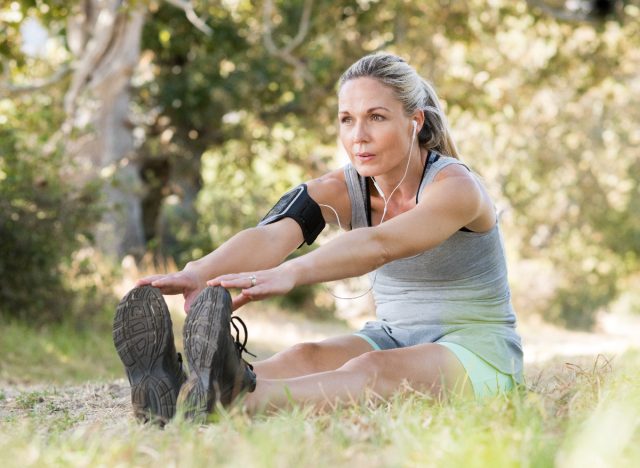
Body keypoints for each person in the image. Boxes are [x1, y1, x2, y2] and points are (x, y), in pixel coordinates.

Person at [113, 53, 523, 424]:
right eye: (347, 119)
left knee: (371, 373)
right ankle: (177, 392)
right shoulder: (340, 188)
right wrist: (198, 272)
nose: (358, 135)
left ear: (414, 121)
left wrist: (293, 274)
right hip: (393, 335)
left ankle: (233, 400)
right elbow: (271, 236)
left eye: (376, 117)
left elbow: (378, 245)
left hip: (477, 350)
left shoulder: (456, 188)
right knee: (303, 356)